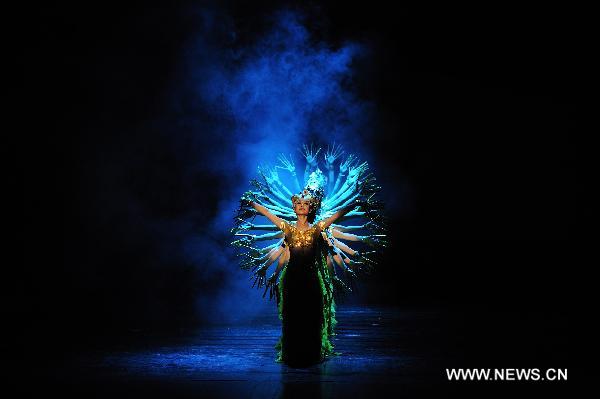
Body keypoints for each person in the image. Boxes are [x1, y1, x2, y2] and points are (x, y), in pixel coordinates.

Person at [232, 143, 387, 367]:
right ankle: (293, 354)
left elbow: (337, 216)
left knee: (312, 313)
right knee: (293, 315)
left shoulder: (318, 228)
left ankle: (311, 353)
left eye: (306, 204)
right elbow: (268, 214)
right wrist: (253, 203)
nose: (302, 206)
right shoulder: (288, 228)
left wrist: (356, 202)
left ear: (311, 207)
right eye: (299, 203)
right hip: (293, 276)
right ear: (294, 207)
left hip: (312, 276)